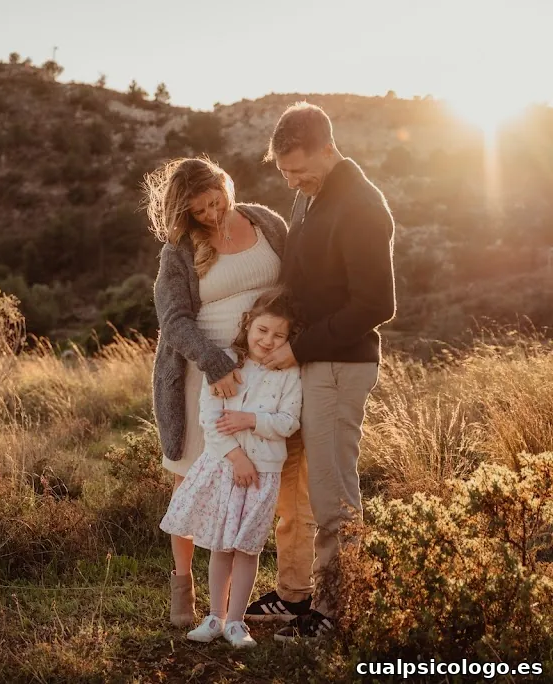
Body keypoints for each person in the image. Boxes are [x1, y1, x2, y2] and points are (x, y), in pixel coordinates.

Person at [250, 102, 396, 642]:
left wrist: (301, 347)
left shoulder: (362, 205)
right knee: (299, 486)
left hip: (339, 365)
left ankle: (337, 612)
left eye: (299, 169)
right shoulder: (308, 195)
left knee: (333, 490)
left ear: (329, 149)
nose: (291, 181)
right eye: (284, 172)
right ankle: (296, 596)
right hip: (307, 360)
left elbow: (377, 303)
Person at [147, 156, 313, 628]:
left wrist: (293, 346)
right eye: (198, 211)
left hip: (267, 373)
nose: (211, 214)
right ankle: (183, 585)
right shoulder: (179, 249)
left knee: (260, 470)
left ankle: (251, 591)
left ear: (226, 185)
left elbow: (295, 288)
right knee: (190, 475)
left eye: (215, 202)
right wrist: (216, 363)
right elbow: (173, 320)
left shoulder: (266, 223)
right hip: (208, 374)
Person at [160, 287, 303, 648]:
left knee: (247, 548)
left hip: (263, 474)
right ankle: (215, 617)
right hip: (226, 468)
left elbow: (288, 422)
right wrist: (237, 457)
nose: (268, 341)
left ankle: (236, 622)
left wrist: (250, 420)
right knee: (221, 546)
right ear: (248, 324)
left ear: (289, 339)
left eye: (279, 335)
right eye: (262, 330)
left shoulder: (290, 374)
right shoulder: (227, 363)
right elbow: (210, 419)